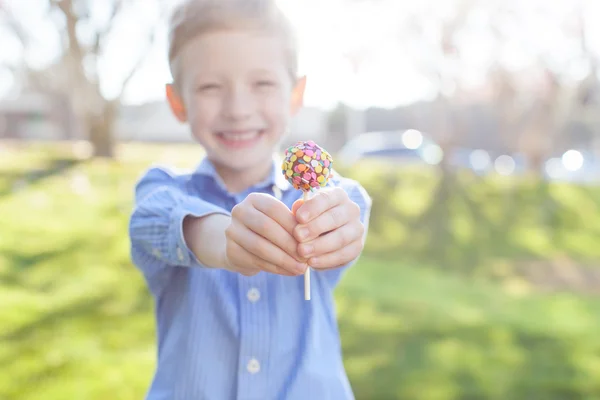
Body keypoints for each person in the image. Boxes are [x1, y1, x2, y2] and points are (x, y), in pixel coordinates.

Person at [128, 0, 372, 398]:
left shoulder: (321, 197)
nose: (238, 110)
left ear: (295, 94)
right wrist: (222, 239)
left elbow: (350, 203)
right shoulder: (164, 189)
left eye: (262, 84)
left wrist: (340, 224)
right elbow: (152, 221)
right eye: (210, 87)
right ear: (178, 102)